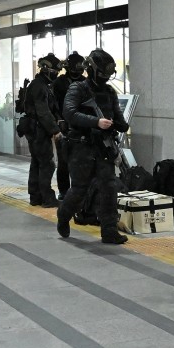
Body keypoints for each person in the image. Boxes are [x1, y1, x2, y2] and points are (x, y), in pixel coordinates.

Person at [56, 49, 130, 244]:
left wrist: (119, 124)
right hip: (81, 147)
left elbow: (120, 119)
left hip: (103, 147)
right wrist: (96, 122)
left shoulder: (109, 92)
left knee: (109, 188)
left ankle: (109, 230)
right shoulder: (77, 89)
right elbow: (69, 113)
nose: (105, 78)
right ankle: (63, 216)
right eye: (103, 73)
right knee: (80, 190)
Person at [24, 53, 62, 208]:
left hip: (34, 129)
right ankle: (47, 198)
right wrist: (55, 130)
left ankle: (35, 196)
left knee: (37, 162)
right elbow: (43, 111)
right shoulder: (40, 86)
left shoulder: (39, 84)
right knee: (47, 164)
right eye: (54, 72)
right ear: (46, 70)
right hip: (38, 130)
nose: (56, 75)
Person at [52, 51, 85, 200]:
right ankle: (64, 190)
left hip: (81, 126)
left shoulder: (85, 82)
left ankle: (80, 190)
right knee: (63, 161)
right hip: (64, 126)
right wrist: (58, 121)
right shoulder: (59, 83)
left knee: (81, 161)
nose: (78, 71)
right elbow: (53, 104)